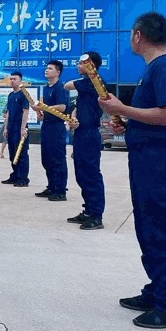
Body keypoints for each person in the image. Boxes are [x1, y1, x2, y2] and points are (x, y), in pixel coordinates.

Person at [100, 12, 166, 329]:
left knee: (165, 227)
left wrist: (121, 108)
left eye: (131, 34)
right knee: (149, 226)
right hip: (145, 158)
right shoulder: (153, 70)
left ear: (138, 35)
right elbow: (153, 117)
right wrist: (127, 123)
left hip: (159, 162)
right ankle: (158, 290)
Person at [63, 51, 106, 230]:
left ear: (91, 65)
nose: (78, 66)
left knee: (91, 174)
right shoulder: (85, 85)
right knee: (81, 174)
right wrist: (73, 118)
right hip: (81, 133)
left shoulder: (93, 83)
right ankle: (88, 210)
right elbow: (77, 107)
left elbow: (67, 85)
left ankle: (96, 215)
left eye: (81, 63)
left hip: (90, 134)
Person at [33, 59, 69, 202]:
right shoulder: (47, 88)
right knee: (46, 158)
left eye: (50, 68)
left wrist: (43, 108)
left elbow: (62, 107)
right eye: (46, 68)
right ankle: (51, 186)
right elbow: (46, 110)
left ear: (58, 72)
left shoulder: (60, 87)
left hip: (56, 127)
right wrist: (41, 113)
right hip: (46, 125)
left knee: (57, 159)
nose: (46, 70)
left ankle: (60, 191)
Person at [1, 71, 30, 187]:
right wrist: (6, 128)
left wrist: (23, 128)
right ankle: (15, 175)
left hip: (20, 128)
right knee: (12, 152)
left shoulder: (23, 94)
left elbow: (25, 111)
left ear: (20, 81)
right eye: (11, 79)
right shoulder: (11, 95)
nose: (12, 81)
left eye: (15, 79)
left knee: (21, 153)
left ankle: (23, 178)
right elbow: (8, 113)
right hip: (11, 128)